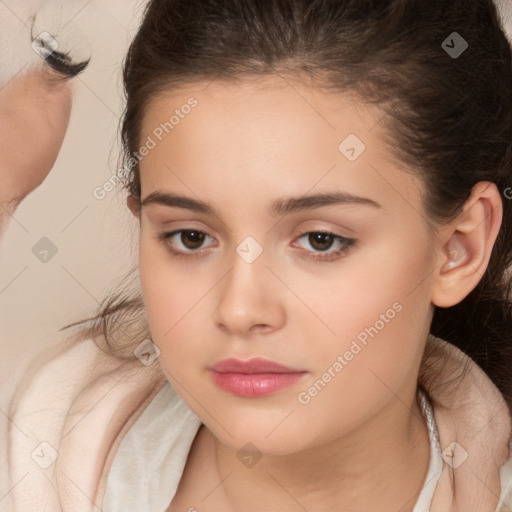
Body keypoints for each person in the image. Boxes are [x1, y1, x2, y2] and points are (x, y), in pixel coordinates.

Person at [3, 0, 512, 511]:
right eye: (191, 237)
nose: (239, 310)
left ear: (457, 249)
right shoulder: (34, 449)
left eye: (320, 240)